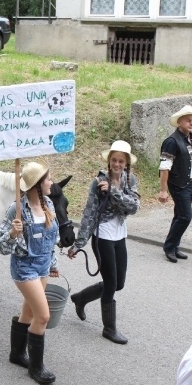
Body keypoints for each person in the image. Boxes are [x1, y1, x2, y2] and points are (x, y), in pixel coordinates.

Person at [67, 140, 140, 345]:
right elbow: (89, 213)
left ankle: (81, 298)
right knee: (110, 283)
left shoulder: (129, 179)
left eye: (121, 161)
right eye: (114, 160)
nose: (117, 164)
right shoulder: (99, 182)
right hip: (103, 236)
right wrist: (79, 242)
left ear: (126, 164)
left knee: (120, 283)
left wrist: (114, 192)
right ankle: (109, 329)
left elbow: (134, 207)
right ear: (109, 161)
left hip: (120, 235)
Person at [0, 162, 60, 385]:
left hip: (42, 266)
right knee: (43, 316)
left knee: (29, 313)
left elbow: (53, 238)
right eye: (48, 179)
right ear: (36, 185)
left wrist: (52, 263)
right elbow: (1, 246)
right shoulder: (17, 210)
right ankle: (36, 367)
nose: (51, 182)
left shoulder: (48, 203)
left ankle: (16, 354)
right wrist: (13, 233)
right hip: (25, 268)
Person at [158, 105, 192, 263]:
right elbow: (164, 167)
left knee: (179, 215)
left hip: (189, 183)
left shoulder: (191, 137)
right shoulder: (171, 142)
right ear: (179, 122)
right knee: (185, 216)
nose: (191, 123)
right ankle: (169, 247)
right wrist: (163, 191)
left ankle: (174, 246)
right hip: (178, 184)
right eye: (188, 121)